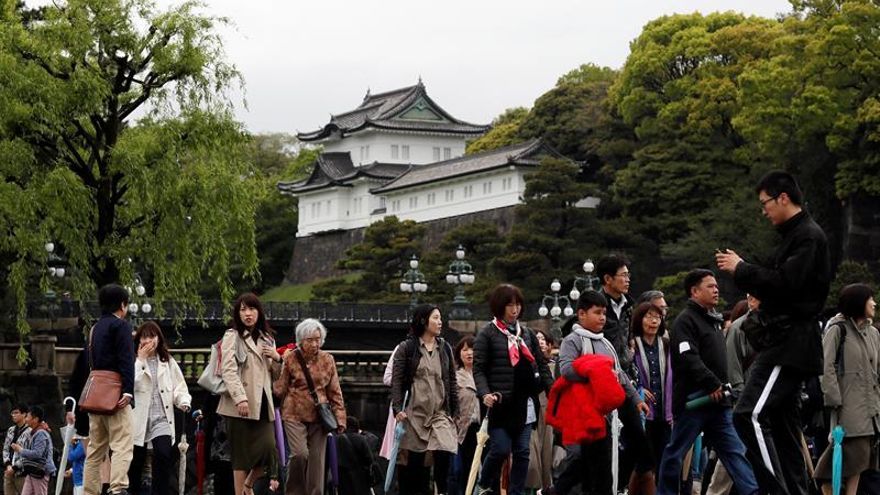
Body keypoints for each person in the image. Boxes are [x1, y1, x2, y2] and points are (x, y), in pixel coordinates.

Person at [716, 171, 831, 495]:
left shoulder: (808, 237)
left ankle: (773, 492)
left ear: (783, 198)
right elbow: (778, 279)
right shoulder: (798, 236)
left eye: (765, 202)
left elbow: (784, 285)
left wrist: (741, 269)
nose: (763, 210)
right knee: (781, 426)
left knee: (748, 415)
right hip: (790, 341)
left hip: (789, 343)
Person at [656, 269, 758, 495]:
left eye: (716, 286)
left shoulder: (713, 320)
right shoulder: (685, 321)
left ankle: (752, 492)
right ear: (694, 291)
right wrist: (711, 384)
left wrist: (719, 388)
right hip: (694, 402)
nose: (716, 290)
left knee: (735, 451)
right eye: (710, 286)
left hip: (718, 402)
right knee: (676, 453)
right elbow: (688, 358)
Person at [543, 290, 649, 495]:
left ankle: (555, 491)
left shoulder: (605, 343)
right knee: (585, 461)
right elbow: (566, 370)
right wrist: (594, 370)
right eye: (597, 312)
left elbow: (618, 374)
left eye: (604, 313)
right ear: (581, 314)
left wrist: (635, 398)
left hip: (603, 416)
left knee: (597, 463)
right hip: (580, 414)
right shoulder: (572, 341)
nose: (602, 317)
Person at [473, 284, 553, 495]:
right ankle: (484, 483)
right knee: (500, 448)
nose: (514, 309)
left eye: (517, 304)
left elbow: (542, 364)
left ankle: (516, 492)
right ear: (500, 306)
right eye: (510, 305)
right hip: (500, 403)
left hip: (525, 402)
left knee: (523, 452)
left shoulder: (526, 334)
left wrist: (552, 389)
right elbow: (479, 369)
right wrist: (484, 393)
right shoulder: (487, 334)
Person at [596, 255, 654, 491]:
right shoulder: (596, 304)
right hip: (602, 383)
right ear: (608, 279)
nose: (628, 279)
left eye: (628, 275)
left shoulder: (629, 306)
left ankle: (622, 488)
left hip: (625, 381)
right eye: (623, 275)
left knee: (639, 444)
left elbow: (628, 340)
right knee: (600, 447)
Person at [814, 284, 879, 495]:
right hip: (847, 407)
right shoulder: (837, 329)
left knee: (860, 462)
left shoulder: (873, 333)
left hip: (871, 409)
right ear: (859, 302)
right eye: (870, 299)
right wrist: (834, 399)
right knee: (849, 457)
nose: (874, 303)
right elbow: (825, 366)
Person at [217, 293, 282, 495]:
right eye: (243, 309)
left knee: (270, 451)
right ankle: (240, 491)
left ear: (258, 312)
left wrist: (277, 358)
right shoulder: (232, 336)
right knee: (241, 458)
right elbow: (228, 370)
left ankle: (248, 485)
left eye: (252, 309)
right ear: (238, 313)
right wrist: (240, 398)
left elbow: (275, 376)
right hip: (240, 405)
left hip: (262, 404)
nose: (248, 313)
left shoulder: (267, 338)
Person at [390, 304, 458, 495]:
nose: (440, 322)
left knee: (445, 449)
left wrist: (455, 410)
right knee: (415, 465)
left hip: (439, 413)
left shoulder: (444, 348)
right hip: (414, 414)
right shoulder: (407, 348)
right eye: (436, 318)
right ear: (423, 321)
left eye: (440, 318)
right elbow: (396, 381)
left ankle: (442, 489)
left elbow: (451, 380)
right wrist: (397, 409)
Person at [273, 318, 346, 495]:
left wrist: (340, 418)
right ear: (301, 341)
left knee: (317, 461)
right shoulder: (291, 357)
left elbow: (335, 391)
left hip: (319, 415)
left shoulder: (328, 359)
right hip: (293, 413)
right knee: (299, 455)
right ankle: (293, 492)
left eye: (318, 339)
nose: (315, 344)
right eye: (310, 340)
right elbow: (281, 387)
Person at [127, 321, 192, 495]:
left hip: (161, 417)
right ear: (139, 340)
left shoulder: (167, 361)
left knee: (163, 454)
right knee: (136, 463)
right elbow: (130, 384)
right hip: (138, 419)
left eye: (152, 336)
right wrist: (140, 359)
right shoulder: (132, 360)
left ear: (158, 339)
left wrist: (183, 401)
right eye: (144, 336)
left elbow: (179, 386)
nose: (148, 340)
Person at [83, 284, 135, 495]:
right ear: (122, 304)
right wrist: (128, 391)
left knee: (95, 450)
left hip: (96, 396)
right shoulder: (121, 326)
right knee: (122, 444)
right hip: (115, 395)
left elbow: (92, 361)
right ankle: (118, 487)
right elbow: (126, 360)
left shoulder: (95, 328)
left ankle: (89, 491)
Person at [631, 302, 673, 481]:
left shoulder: (666, 344)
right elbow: (627, 373)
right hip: (643, 411)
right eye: (648, 316)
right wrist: (638, 389)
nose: (653, 320)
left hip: (666, 412)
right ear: (639, 320)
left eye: (657, 317)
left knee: (666, 460)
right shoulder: (632, 345)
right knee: (645, 463)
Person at [526, 330, 556, 493]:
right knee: (531, 456)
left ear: (550, 345)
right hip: (531, 410)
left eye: (543, 339)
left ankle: (546, 488)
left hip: (549, 411)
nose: (540, 342)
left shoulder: (554, 366)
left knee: (547, 454)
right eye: (536, 340)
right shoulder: (528, 365)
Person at [450, 336, 479, 495]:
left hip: (483, 428)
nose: (469, 353)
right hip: (463, 429)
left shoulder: (484, 375)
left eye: (472, 349)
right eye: (465, 349)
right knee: (462, 469)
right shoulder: (455, 377)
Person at [11, 406, 56, 495]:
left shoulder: (41, 433)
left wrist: (20, 450)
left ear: (35, 419)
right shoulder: (35, 431)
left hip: (40, 471)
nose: (26, 419)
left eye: (27, 416)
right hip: (32, 470)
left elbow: (37, 454)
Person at [335, 416, 376, 495]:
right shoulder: (361, 439)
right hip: (360, 479)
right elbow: (369, 459)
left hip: (343, 479)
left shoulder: (338, 439)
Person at [4, 404, 30, 495]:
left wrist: (14, 468)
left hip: (22, 472)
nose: (13, 415)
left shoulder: (30, 431)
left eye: (16, 413)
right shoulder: (11, 430)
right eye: (12, 413)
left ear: (24, 414)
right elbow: (5, 449)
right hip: (8, 471)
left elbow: (28, 454)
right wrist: (8, 465)